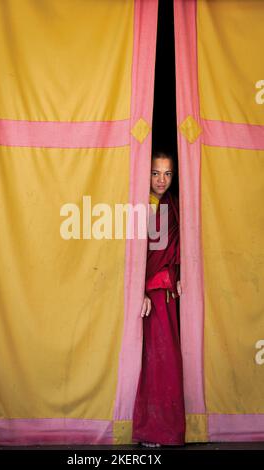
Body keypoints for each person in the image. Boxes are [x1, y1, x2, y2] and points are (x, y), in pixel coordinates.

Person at [132, 151, 185, 447]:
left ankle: (164, 428)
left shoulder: (173, 207)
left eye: (167, 174)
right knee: (145, 362)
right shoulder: (137, 205)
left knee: (165, 361)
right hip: (144, 294)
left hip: (165, 295)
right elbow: (130, 255)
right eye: (155, 173)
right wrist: (137, 290)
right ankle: (146, 427)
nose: (161, 180)